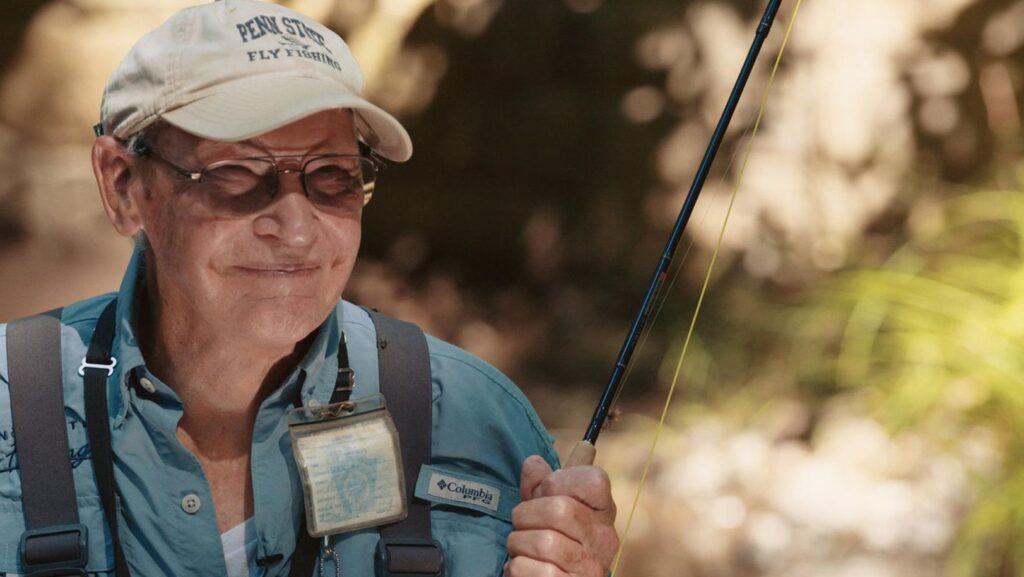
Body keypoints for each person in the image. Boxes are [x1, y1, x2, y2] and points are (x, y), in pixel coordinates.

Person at [0, 1, 618, 576]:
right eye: (237, 173)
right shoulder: (10, 403)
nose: (296, 229)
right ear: (123, 185)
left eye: (333, 176)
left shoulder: (479, 420)